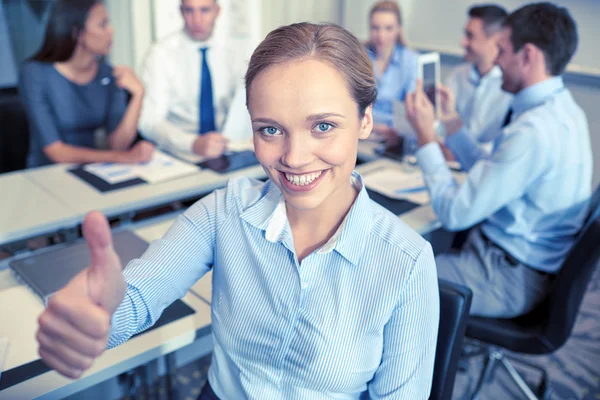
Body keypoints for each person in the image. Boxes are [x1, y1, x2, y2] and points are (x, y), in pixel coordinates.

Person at [36, 23, 440, 399]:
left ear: (365, 120)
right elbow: (138, 297)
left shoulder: (407, 262)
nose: (294, 158)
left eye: (323, 126)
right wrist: (95, 315)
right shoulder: (225, 211)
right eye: (270, 129)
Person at [405, 2, 593, 318]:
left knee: (401, 271)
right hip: (524, 262)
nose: (497, 61)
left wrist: (426, 138)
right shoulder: (564, 110)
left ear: (528, 55)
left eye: (502, 50)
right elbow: (494, 168)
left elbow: (453, 212)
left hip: (508, 276)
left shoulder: (534, 131)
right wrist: (451, 124)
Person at [20, 0, 153, 168]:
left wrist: (138, 95)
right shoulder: (34, 73)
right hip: (46, 175)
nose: (112, 31)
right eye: (102, 25)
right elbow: (56, 151)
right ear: (78, 33)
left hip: (93, 170)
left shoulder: (108, 74)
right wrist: (124, 157)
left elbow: (118, 145)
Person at [138, 0, 249, 159]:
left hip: (225, 147)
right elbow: (149, 121)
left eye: (204, 10)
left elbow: (243, 104)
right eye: (190, 11)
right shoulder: (160, 54)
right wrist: (192, 143)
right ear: (181, 12)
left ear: (217, 11)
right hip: (179, 151)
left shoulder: (233, 51)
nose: (197, 20)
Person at [440, 4, 512, 148]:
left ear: (496, 40)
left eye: (470, 36)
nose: (463, 42)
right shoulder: (458, 75)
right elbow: (439, 126)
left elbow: (502, 149)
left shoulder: (510, 87)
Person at [366, 0, 418, 143]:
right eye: (375, 28)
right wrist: (373, 127)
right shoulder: (360, 56)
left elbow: (411, 111)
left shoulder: (411, 61)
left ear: (398, 29)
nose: (381, 35)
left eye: (388, 28)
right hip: (363, 132)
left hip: (395, 137)